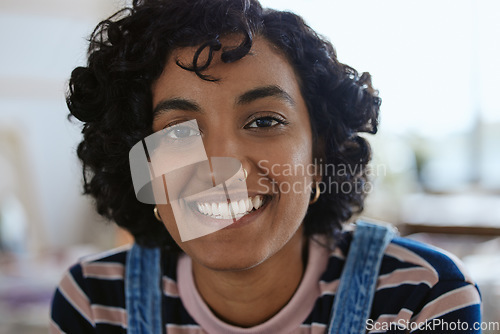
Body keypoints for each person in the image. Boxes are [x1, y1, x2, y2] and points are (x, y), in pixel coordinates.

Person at [50, 0, 481, 333]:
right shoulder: (93, 303)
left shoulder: (422, 296)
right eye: (180, 130)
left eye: (264, 121)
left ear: (319, 153)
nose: (226, 165)